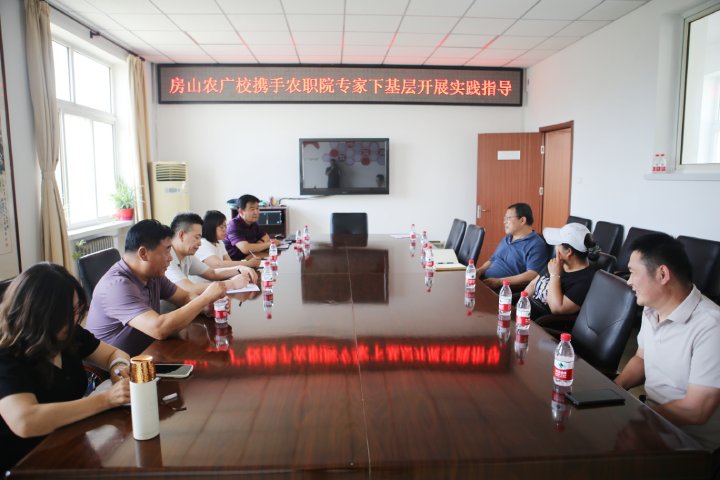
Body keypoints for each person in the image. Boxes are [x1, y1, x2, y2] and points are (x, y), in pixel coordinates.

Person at [0, 263, 131, 472]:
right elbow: (25, 421)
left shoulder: (68, 333)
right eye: (66, 312)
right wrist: (106, 400)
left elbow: (113, 354)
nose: (74, 319)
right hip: (25, 462)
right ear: (39, 313)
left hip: (69, 441)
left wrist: (118, 370)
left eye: (76, 309)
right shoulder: (7, 354)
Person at [615, 233, 720, 452]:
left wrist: (638, 418)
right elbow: (642, 358)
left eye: (633, 272)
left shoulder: (711, 326)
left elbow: (697, 410)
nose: (629, 281)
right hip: (653, 420)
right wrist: (616, 388)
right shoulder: (652, 308)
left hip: (688, 443)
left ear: (662, 274)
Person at [86, 219, 229, 357]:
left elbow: (184, 297)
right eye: (167, 251)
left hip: (148, 353)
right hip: (116, 368)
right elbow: (158, 329)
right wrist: (205, 299)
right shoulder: (117, 286)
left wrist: (206, 307)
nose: (170, 258)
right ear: (143, 253)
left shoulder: (153, 275)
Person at [524, 223, 600, 320]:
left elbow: (557, 309)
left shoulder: (586, 280)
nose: (556, 247)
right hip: (525, 314)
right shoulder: (558, 262)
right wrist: (521, 304)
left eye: (557, 244)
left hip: (542, 323)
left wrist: (555, 275)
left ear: (568, 251)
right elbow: (533, 284)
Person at [166, 212, 256, 294]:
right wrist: (231, 284)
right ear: (181, 235)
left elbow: (212, 273)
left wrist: (240, 268)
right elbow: (189, 288)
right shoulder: (167, 257)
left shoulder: (187, 255)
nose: (199, 243)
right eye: (196, 237)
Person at [477, 203, 550, 290]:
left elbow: (532, 275)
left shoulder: (536, 244)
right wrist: (480, 270)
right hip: (485, 280)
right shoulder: (507, 238)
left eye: (508, 218)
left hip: (502, 288)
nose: (504, 222)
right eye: (505, 218)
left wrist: (499, 282)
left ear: (522, 220)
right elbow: (493, 259)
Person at [195, 211, 261, 275]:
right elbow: (217, 265)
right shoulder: (203, 243)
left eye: (225, 226)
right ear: (211, 227)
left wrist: (248, 265)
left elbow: (229, 263)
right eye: (221, 227)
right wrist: (249, 263)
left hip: (218, 280)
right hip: (206, 282)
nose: (225, 230)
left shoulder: (219, 242)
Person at [224, 194, 271, 261]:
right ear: (241, 211)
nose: (256, 212)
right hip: (236, 263)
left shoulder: (252, 222)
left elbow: (266, 236)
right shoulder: (233, 225)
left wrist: (258, 244)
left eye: (257, 208)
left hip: (250, 259)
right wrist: (270, 244)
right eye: (252, 209)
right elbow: (245, 249)